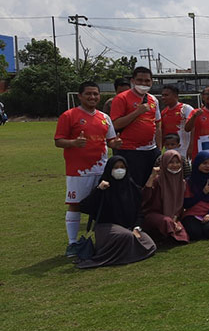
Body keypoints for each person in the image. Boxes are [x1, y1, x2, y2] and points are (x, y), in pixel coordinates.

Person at [55, 81, 122, 257]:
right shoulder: (69, 115)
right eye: (88, 94)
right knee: (75, 205)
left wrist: (116, 143)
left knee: (103, 203)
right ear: (80, 96)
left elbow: (110, 141)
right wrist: (74, 143)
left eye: (96, 94)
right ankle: (72, 243)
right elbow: (58, 141)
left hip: (101, 168)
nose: (92, 97)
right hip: (78, 170)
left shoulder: (104, 117)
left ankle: (104, 240)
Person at [76, 156, 156, 268]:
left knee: (149, 243)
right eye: (116, 167)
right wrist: (99, 190)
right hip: (106, 227)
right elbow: (84, 207)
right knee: (125, 236)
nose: (119, 170)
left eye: (122, 167)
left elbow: (139, 211)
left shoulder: (132, 188)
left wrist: (136, 228)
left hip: (128, 227)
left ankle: (126, 253)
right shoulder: (104, 187)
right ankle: (119, 255)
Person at [110, 67, 162, 187]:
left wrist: (158, 149)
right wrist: (137, 112)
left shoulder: (153, 99)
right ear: (133, 81)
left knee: (150, 186)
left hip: (151, 151)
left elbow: (158, 125)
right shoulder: (121, 98)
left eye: (147, 81)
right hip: (129, 151)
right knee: (131, 187)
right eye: (139, 80)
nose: (143, 84)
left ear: (151, 82)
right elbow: (116, 124)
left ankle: (147, 206)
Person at [141, 149, 190, 243]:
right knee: (166, 222)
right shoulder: (157, 180)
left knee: (182, 235)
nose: (175, 165)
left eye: (177, 162)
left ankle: (165, 236)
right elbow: (145, 197)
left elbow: (180, 205)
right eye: (171, 162)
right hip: (153, 214)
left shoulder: (182, 182)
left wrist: (175, 218)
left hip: (173, 216)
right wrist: (151, 177)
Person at [181, 151, 209, 241]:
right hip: (192, 214)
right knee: (195, 233)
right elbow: (186, 204)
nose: (207, 166)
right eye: (204, 163)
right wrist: (202, 194)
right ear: (197, 163)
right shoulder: (189, 181)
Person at [160, 83, 193, 158]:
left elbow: (193, 128)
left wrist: (191, 146)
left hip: (184, 148)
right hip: (169, 150)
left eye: (166, 95)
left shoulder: (186, 109)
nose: (163, 97)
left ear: (175, 96)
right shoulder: (163, 112)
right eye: (162, 95)